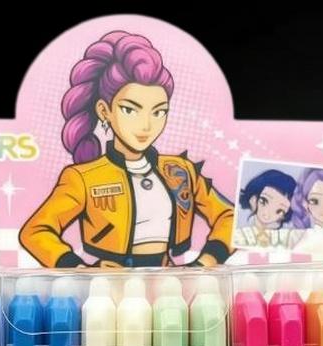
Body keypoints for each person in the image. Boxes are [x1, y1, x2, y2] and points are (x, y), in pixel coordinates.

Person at [20, 30, 234, 269]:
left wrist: (205, 262)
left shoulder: (181, 170)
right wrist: (80, 270)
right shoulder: (83, 178)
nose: (146, 125)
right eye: (130, 110)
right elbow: (35, 231)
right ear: (104, 111)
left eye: (159, 112)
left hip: (169, 279)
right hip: (111, 282)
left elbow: (231, 218)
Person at [234, 168, 297, 248]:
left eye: (279, 210)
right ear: (254, 198)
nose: (267, 213)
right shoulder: (239, 216)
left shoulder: (285, 236)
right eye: (263, 201)